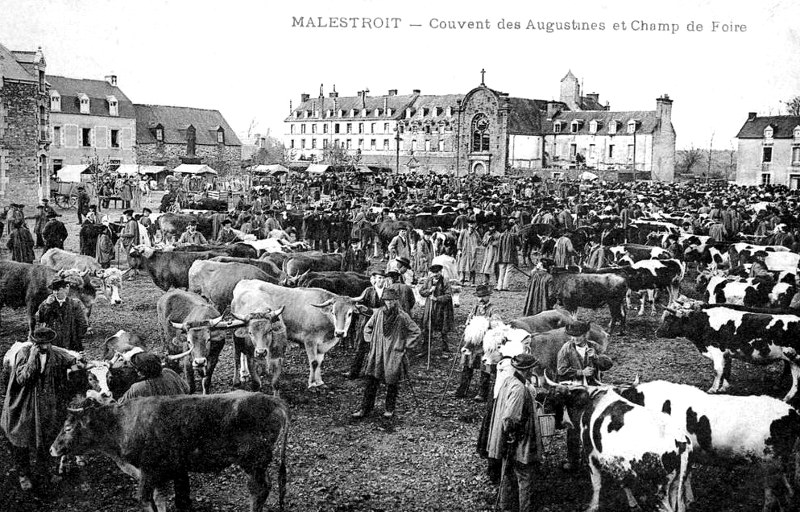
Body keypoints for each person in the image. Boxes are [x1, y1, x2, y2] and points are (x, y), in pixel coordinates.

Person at [1, 327, 82, 491]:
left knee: (46, 435)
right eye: (40, 344)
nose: (44, 346)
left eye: (47, 343)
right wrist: (32, 358)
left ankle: (44, 471)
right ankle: (24, 474)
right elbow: (22, 378)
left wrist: (77, 365)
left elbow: (72, 360)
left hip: (46, 401)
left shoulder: (55, 351)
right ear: (34, 342)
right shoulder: (24, 353)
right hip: (26, 400)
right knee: (21, 435)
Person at [352, 287, 421, 419]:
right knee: (371, 380)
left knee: (392, 381)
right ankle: (365, 409)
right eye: (386, 300)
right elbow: (368, 328)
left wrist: (404, 345)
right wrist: (371, 341)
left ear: (396, 300)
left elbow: (416, 332)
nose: (389, 303)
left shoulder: (402, 316)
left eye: (392, 300)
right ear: (384, 301)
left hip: (393, 353)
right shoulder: (378, 314)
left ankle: (389, 408)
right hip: (377, 352)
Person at [486, 353, 543, 512]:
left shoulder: (509, 380)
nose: (533, 371)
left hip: (506, 437)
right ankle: (524, 508)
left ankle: (505, 506)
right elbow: (510, 417)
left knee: (507, 472)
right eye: (532, 368)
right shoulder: (518, 388)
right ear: (528, 370)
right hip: (517, 439)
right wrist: (512, 437)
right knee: (524, 475)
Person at [557, 321, 612, 471]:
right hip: (575, 392)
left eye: (578, 336)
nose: (575, 339)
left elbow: (608, 365)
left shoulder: (594, 347)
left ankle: (592, 459)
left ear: (586, 335)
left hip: (594, 389)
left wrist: (596, 358)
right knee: (574, 427)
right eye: (572, 336)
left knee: (594, 424)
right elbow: (561, 370)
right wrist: (580, 372)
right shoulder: (566, 349)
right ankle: (573, 461)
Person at [453, 285, 497, 400]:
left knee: (484, 367)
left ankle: (482, 392)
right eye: (479, 297)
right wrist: (469, 325)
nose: (481, 299)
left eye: (484, 296)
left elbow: (497, 324)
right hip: (472, 342)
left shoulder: (493, 309)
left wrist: (486, 324)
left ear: (489, 297)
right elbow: (469, 320)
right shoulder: (475, 308)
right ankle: (463, 389)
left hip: (485, 342)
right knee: (467, 364)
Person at [345, 270, 387, 380]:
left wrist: (375, 311)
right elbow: (359, 302)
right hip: (367, 323)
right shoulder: (368, 291)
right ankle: (354, 372)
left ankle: (377, 373)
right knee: (361, 347)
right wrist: (362, 308)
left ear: (385, 280)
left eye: (382, 278)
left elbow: (392, 307)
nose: (380, 280)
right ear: (374, 279)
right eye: (378, 278)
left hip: (382, 323)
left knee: (380, 348)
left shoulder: (388, 292)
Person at [36, 278, 88, 352]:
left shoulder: (74, 304)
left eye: (59, 290)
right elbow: (40, 319)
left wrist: (76, 338)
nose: (56, 293)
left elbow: (82, 323)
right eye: (54, 290)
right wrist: (47, 305)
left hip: (70, 342)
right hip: (52, 341)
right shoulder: (47, 303)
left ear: (65, 289)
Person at [119, 352, 189, 402]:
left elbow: (120, 405)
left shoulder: (137, 388)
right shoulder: (169, 372)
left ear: (139, 372)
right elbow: (187, 389)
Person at [419, 263, 454, 353]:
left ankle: (445, 349)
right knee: (427, 327)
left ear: (441, 272)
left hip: (442, 309)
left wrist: (437, 299)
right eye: (434, 272)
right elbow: (421, 292)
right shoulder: (428, 281)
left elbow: (448, 296)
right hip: (430, 308)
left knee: (443, 330)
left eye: (437, 272)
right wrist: (429, 291)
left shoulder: (445, 281)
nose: (436, 274)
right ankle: (425, 349)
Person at [496, 221, 519, 292]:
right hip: (510, 255)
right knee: (508, 271)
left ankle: (499, 286)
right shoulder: (513, 235)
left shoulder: (501, 235)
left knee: (501, 270)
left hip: (501, 255)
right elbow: (519, 244)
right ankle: (505, 286)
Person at [457, 220, 481, 286]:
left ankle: (472, 282)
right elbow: (459, 241)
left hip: (472, 252)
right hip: (464, 251)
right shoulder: (463, 232)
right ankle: (462, 281)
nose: (471, 226)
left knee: (472, 266)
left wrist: (475, 247)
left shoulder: (476, 233)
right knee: (463, 265)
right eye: (470, 224)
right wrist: (459, 250)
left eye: (473, 224)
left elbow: (479, 241)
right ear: (468, 224)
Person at [120, 209, 140, 279]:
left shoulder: (131, 222)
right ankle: (134, 272)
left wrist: (122, 235)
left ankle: (132, 275)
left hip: (131, 243)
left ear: (127, 215)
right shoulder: (131, 222)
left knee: (131, 259)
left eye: (126, 215)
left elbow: (131, 233)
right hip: (129, 242)